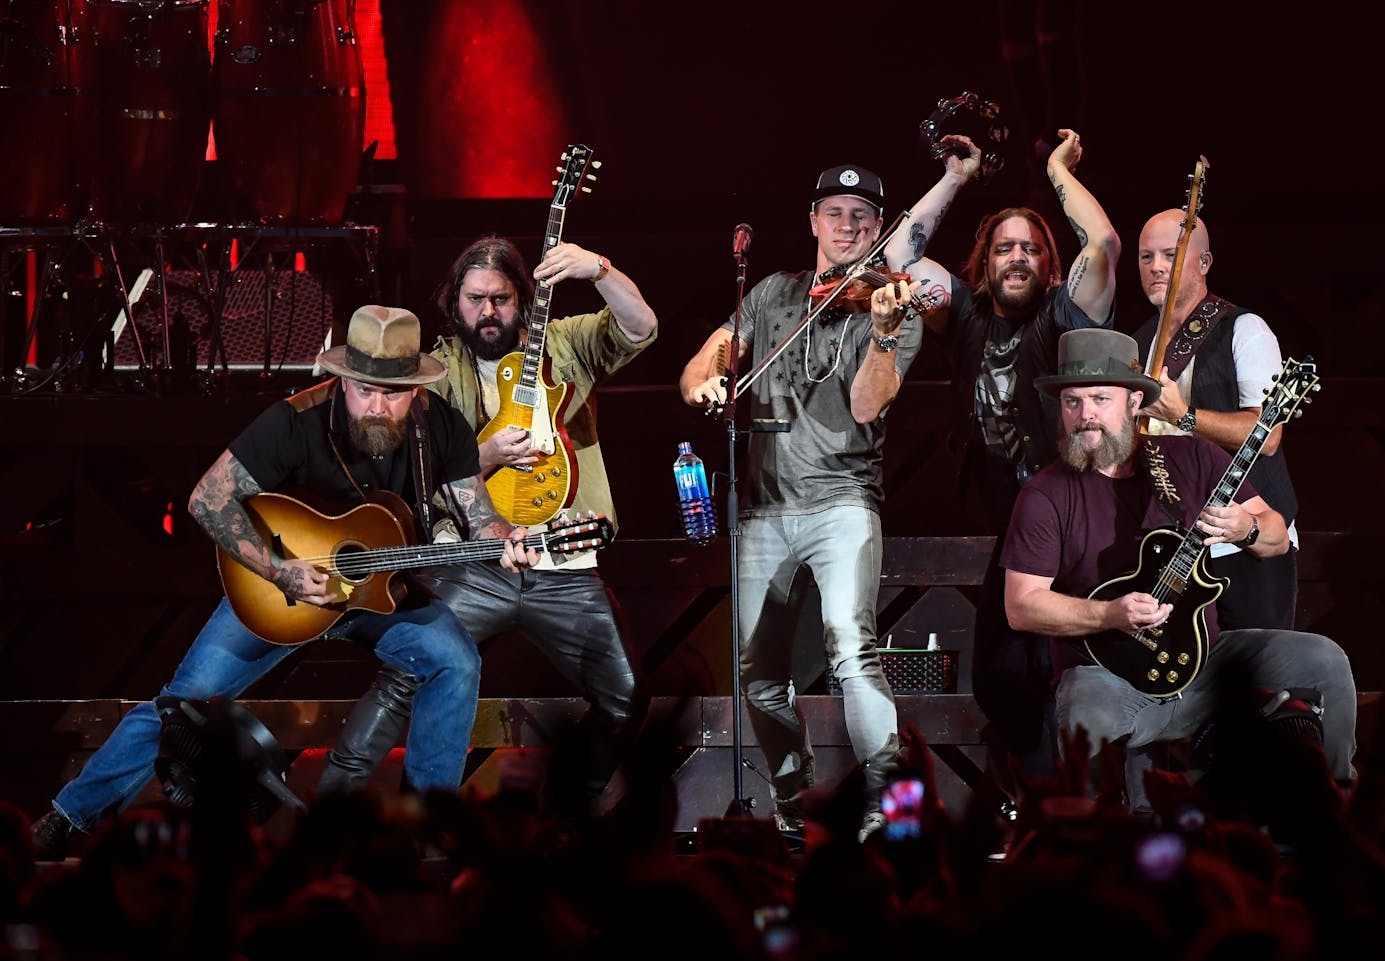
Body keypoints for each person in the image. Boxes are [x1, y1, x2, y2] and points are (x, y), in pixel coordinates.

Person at [29, 305, 538, 860]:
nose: (377, 405)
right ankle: (68, 818)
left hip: (379, 591)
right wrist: (280, 569)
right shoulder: (293, 421)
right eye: (364, 390)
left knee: (456, 661)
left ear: (416, 390)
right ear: (342, 380)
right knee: (182, 703)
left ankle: (427, 831)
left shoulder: (440, 426)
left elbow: (477, 514)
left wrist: (506, 540)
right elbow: (208, 499)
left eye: (392, 393)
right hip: (283, 592)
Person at [316, 236, 657, 814]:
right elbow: (406, 465)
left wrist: (598, 267)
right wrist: (488, 453)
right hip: (478, 564)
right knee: (404, 675)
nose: (488, 312)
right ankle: (329, 816)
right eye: (475, 299)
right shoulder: (439, 368)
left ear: (522, 299)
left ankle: (559, 824)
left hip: (565, 563)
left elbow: (641, 326)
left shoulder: (567, 344)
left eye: (500, 298)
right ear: (456, 301)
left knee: (626, 696)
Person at [999, 327, 1355, 816]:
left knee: (1324, 659)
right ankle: (1089, 847)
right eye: (1072, 402)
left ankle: (1338, 807)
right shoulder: (1045, 494)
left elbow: (1274, 538)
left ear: (1133, 402)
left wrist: (1245, 528)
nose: (1086, 416)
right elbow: (1021, 606)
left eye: (1100, 399)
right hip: (1108, 675)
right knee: (1083, 710)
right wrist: (1109, 614)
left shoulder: (1190, 457)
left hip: (1206, 665)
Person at [680, 163, 922, 842]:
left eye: (863, 217)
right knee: (758, 673)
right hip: (763, 508)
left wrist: (881, 333)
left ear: (879, 229)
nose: (849, 226)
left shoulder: (895, 305)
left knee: (851, 648)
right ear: (812, 221)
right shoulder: (771, 295)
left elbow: (867, 402)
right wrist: (706, 384)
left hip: (844, 502)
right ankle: (791, 799)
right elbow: (708, 358)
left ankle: (888, 809)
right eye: (835, 213)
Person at [882, 128, 1120, 792]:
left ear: (1048, 265)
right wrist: (958, 176)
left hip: (1077, 527)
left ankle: (1075, 798)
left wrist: (1056, 171)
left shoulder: (1063, 315)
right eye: (1003, 247)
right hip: (1015, 533)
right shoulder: (963, 320)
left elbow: (1102, 245)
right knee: (999, 673)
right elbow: (897, 255)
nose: (1017, 257)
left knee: (1059, 671)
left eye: (1031, 248)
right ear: (982, 262)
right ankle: (1038, 792)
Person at [1132, 210, 1300, 631]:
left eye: (1170, 254)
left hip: (1245, 539)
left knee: (1253, 683)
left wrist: (1183, 416)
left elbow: (1269, 435)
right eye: (1145, 256)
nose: (1156, 267)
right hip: (1169, 550)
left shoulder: (1244, 329)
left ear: (1204, 263)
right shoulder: (1139, 342)